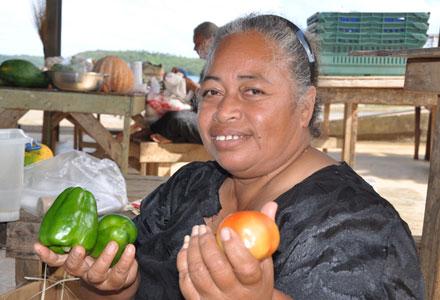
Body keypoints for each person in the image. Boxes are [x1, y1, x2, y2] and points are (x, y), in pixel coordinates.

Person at [34, 14, 424, 299]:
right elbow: (135, 283)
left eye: (252, 91)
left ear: (305, 107)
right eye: (212, 92)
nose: (224, 111)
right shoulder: (190, 186)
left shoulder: (360, 230)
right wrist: (108, 284)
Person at [148, 21, 219, 144]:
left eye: (197, 43)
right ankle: (152, 132)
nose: (195, 48)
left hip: (215, 124)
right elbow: (199, 99)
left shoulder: (223, 65)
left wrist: (193, 87)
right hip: (204, 116)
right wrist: (182, 77)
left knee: (177, 119)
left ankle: (155, 134)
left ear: (210, 40)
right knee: (171, 115)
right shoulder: (210, 66)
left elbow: (216, 100)